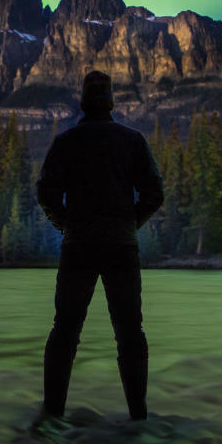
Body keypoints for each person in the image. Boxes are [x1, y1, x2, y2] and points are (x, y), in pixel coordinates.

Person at [35, 70, 164, 422]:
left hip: (78, 247)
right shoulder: (132, 141)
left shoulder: (66, 143)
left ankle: (52, 415)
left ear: (82, 102)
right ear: (111, 103)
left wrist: (67, 225)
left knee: (65, 331)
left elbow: (45, 193)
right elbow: (155, 193)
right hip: (122, 248)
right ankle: (138, 418)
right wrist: (128, 224)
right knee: (129, 334)